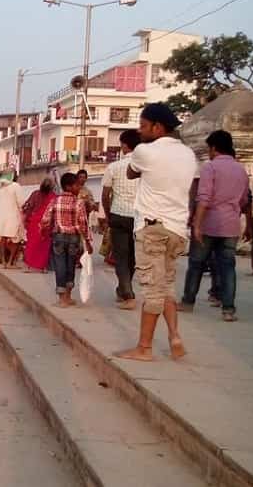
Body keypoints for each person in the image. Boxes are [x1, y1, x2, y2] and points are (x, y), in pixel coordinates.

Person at [116, 103, 197, 362]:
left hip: (152, 228)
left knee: (152, 291)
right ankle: (174, 337)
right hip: (177, 228)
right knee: (167, 287)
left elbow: (130, 172)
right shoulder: (188, 155)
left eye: (142, 126)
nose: (139, 132)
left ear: (157, 127)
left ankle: (144, 348)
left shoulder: (143, 152)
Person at [180, 130, 249, 322]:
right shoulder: (241, 170)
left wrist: (197, 225)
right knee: (228, 267)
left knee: (196, 264)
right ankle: (228, 309)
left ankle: (187, 302)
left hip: (209, 223)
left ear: (213, 148)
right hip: (231, 225)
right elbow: (244, 200)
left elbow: (203, 199)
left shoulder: (210, 168)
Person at [40, 172, 93, 308]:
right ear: (68, 186)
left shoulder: (55, 201)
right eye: (76, 185)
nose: (79, 188)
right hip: (74, 238)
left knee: (60, 266)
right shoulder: (78, 202)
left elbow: (45, 220)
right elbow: (83, 223)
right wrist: (88, 241)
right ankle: (68, 296)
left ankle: (62, 298)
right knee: (70, 266)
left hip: (58, 236)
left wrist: (43, 231)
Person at [102, 130, 141, 309]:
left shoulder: (114, 167)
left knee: (120, 256)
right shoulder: (144, 167)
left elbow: (105, 194)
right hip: (138, 217)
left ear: (125, 145)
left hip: (118, 215)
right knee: (132, 257)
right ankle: (124, 288)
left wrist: (108, 214)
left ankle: (127, 293)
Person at [21, 179, 57, 273]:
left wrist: (25, 220)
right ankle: (43, 267)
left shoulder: (35, 194)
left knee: (31, 244)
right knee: (45, 246)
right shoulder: (53, 196)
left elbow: (27, 207)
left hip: (34, 222)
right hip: (47, 223)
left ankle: (29, 266)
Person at [0, 172, 24, 268]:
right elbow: (20, 202)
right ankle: (10, 262)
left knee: (3, 238)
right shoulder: (16, 186)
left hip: (2, 215)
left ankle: (3, 261)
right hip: (13, 215)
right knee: (16, 239)